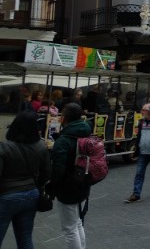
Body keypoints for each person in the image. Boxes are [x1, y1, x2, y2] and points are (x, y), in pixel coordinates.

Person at [0, 111, 51, 249]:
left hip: (7, 196)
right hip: (31, 195)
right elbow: (46, 174)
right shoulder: (41, 146)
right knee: (25, 239)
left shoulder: (4, 147)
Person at [48, 103, 92, 249]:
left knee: (69, 229)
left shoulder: (64, 140)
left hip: (68, 188)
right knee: (78, 222)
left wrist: (51, 187)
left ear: (64, 118)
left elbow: (58, 169)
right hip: (84, 182)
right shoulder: (86, 132)